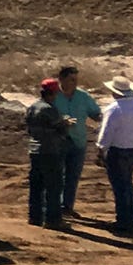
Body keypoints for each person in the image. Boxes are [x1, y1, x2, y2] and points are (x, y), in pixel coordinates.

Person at [99, 77, 133, 234]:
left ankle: (123, 220)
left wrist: (101, 149)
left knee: (120, 185)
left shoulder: (114, 108)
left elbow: (107, 131)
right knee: (127, 183)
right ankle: (131, 218)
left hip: (118, 150)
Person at [52, 65, 102, 217]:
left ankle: (67, 206)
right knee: (55, 175)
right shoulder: (52, 96)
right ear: (61, 79)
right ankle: (53, 207)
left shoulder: (83, 96)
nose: (74, 83)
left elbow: (96, 114)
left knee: (73, 176)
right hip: (57, 141)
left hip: (78, 141)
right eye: (71, 79)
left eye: (76, 80)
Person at [24, 78, 72, 230]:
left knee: (36, 185)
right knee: (53, 186)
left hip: (35, 149)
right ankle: (53, 219)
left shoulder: (33, 106)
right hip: (50, 150)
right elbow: (60, 130)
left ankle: (35, 217)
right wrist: (66, 124)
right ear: (53, 93)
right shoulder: (49, 109)